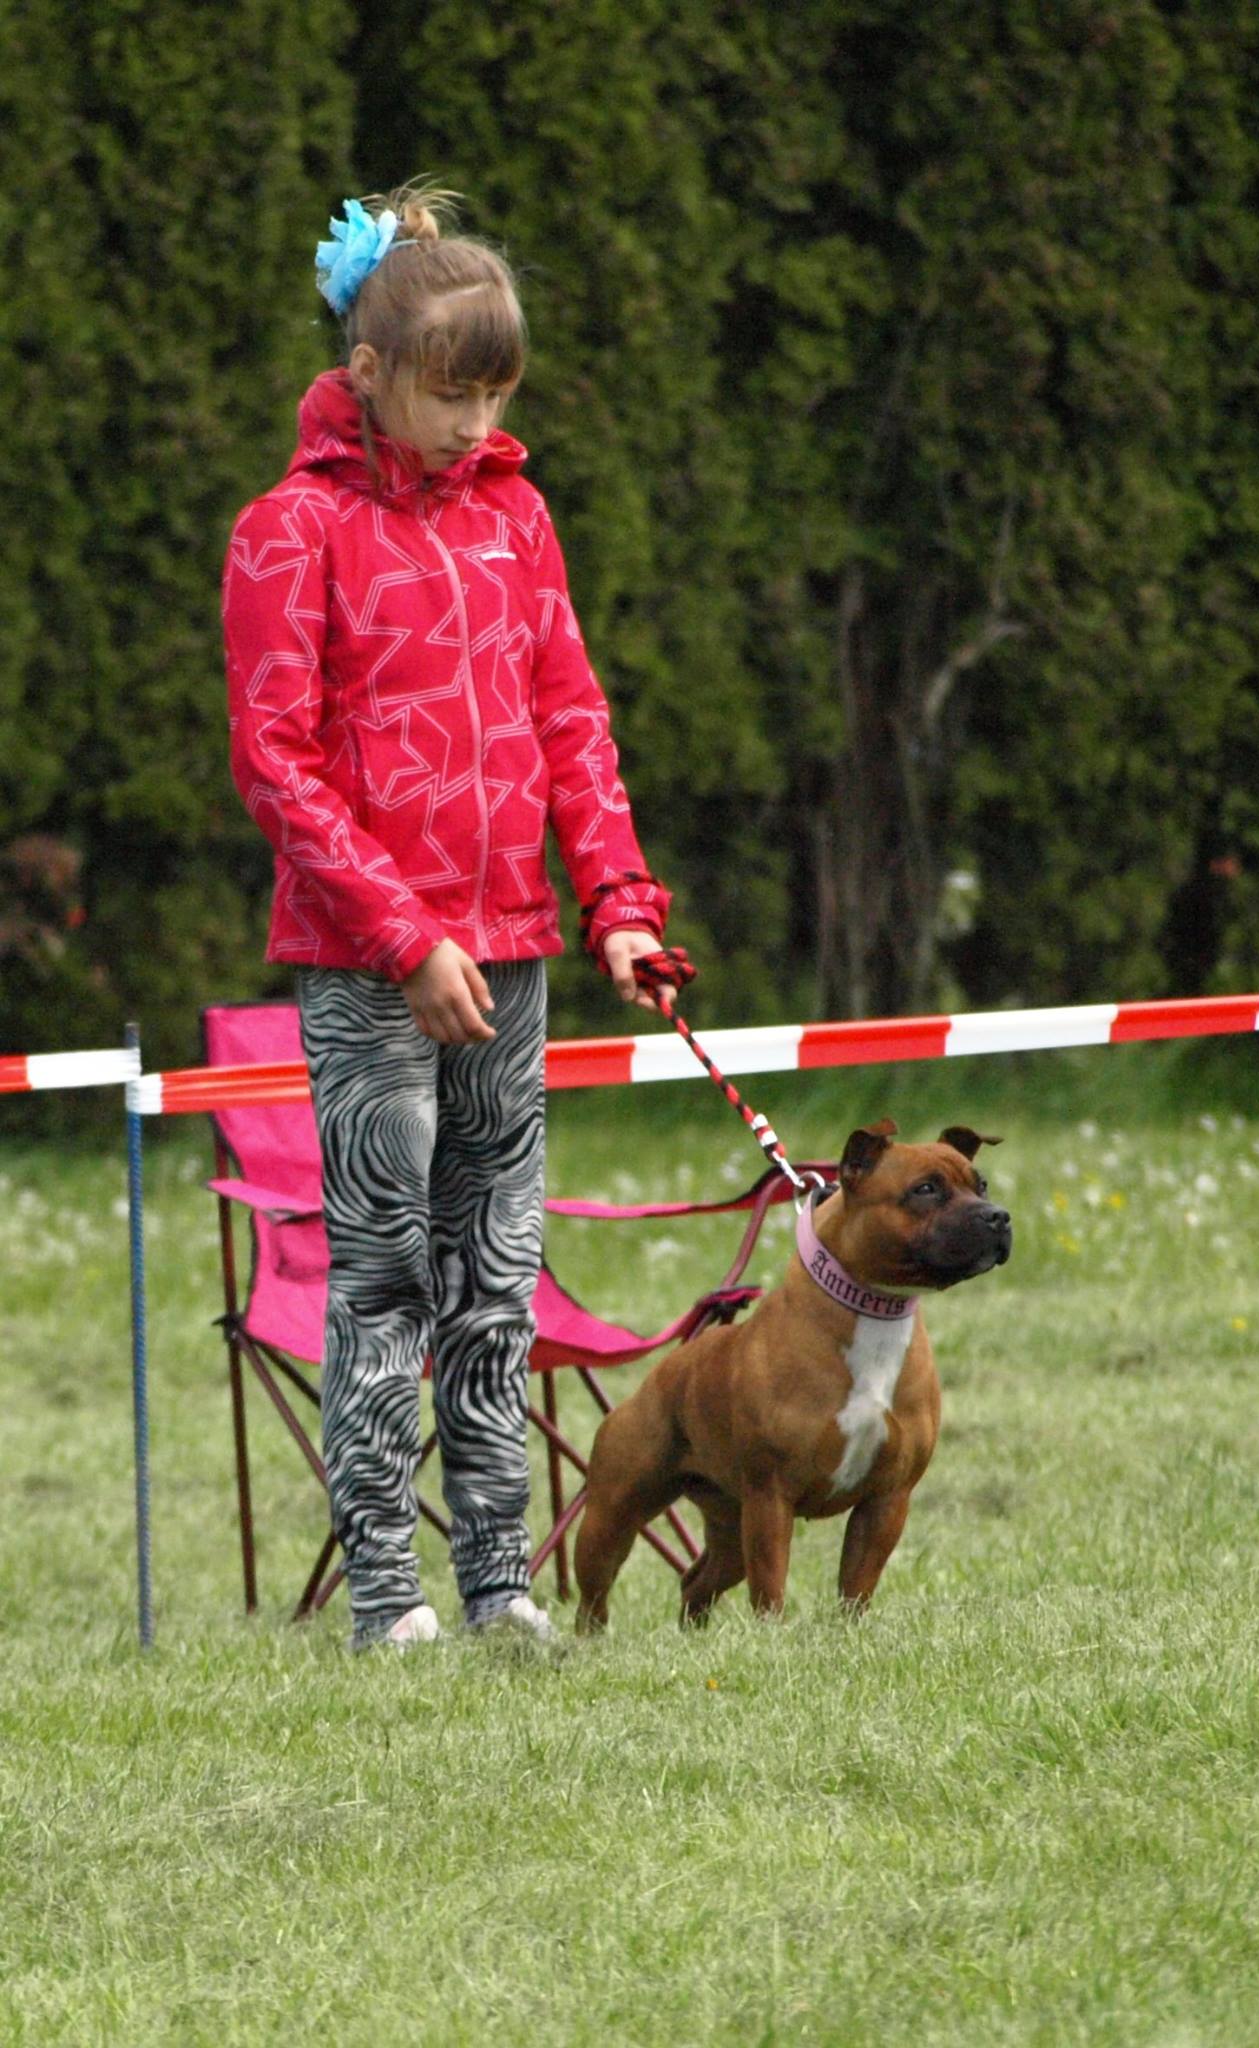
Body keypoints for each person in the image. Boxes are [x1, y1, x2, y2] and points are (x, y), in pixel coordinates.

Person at [222, 186, 678, 1649]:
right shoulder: (288, 532)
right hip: (370, 968)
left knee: (497, 1276)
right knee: (382, 1277)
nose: (477, 422)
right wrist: (405, 936)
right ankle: (385, 1597)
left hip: (516, 951)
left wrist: (616, 902)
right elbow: (275, 763)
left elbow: (572, 722)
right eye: (450, 393)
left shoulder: (518, 518)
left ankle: (496, 1586)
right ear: (367, 372)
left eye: (497, 393)